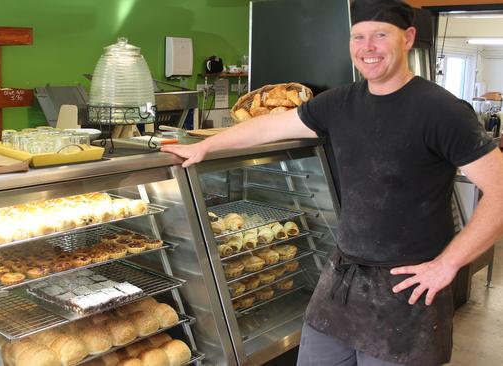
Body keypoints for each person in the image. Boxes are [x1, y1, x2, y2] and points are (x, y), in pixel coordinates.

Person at [161, 0, 503, 364]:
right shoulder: (340, 103)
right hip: (342, 276)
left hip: (407, 288)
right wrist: (207, 146)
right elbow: (271, 126)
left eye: (380, 35)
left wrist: (447, 265)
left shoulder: (441, 111)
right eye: (358, 37)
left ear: (408, 39)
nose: (367, 47)